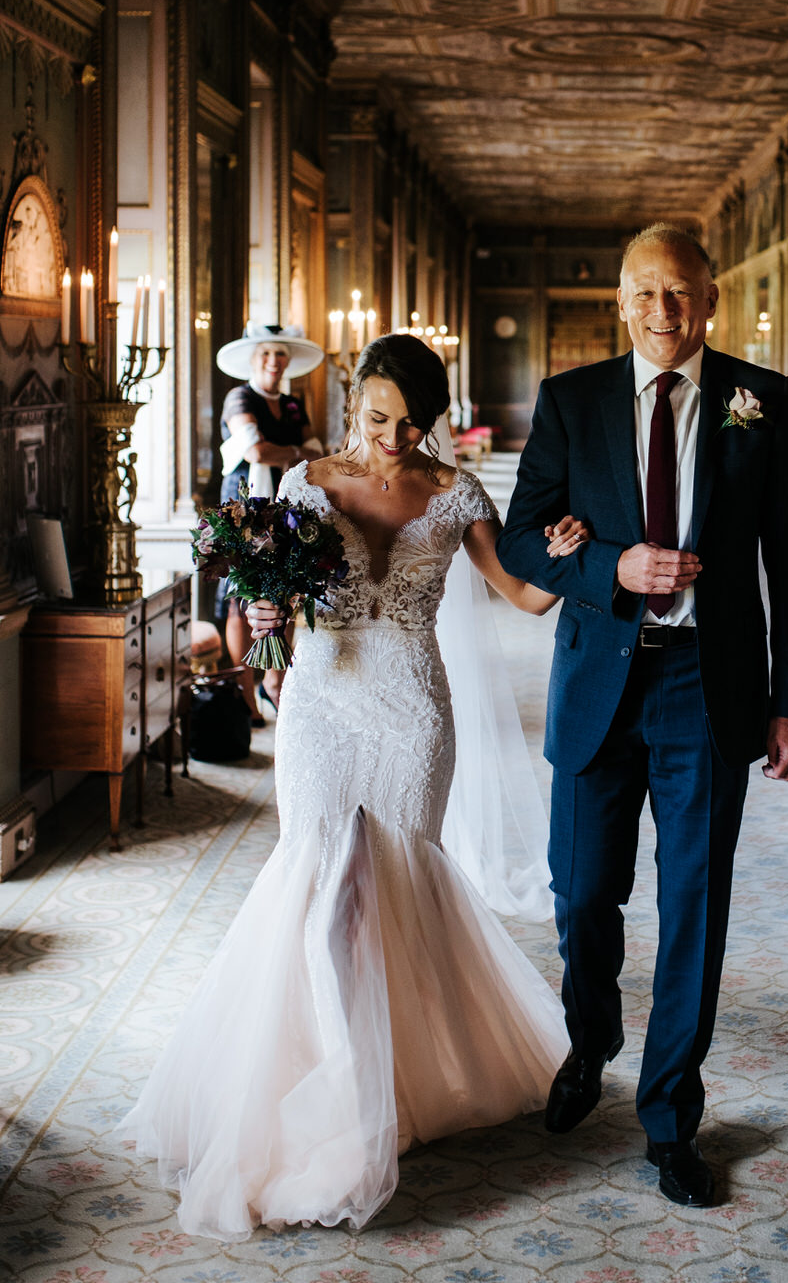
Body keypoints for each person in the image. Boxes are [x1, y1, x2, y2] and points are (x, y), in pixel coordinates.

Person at [124, 334, 583, 1237]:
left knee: (399, 885)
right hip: (323, 703)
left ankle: (395, 1079)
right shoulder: (305, 485)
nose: (395, 438)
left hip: (413, 708)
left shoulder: (453, 492)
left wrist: (566, 555)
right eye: (379, 418)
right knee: (325, 887)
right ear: (351, 404)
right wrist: (262, 617)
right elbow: (278, 606)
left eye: (414, 423)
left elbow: (521, 594)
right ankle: (346, 1090)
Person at [496, 223, 788, 1208]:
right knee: (584, 892)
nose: (663, 311)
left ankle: (672, 1116)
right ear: (622, 303)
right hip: (599, 677)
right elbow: (519, 541)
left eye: (680, 293)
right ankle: (590, 1041)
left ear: (711, 297)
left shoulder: (759, 400)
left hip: (708, 687)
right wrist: (609, 567)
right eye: (646, 293)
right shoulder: (571, 399)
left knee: (696, 907)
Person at [216, 324, 325, 721]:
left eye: (280, 354)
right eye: (266, 353)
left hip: (289, 509)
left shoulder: (294, 405)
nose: (273, 362)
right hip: (246, 506)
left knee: (289, 593)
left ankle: (275, 681)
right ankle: (247, 688)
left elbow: (317, 451)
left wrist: (292, 453)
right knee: (240, 598)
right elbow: (256, 451)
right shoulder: (239, 396)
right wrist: (294, 451)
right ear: (253, 358)